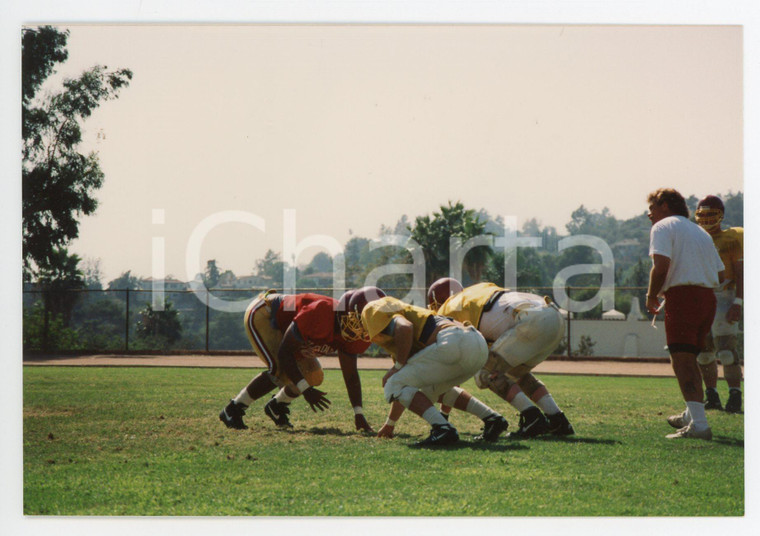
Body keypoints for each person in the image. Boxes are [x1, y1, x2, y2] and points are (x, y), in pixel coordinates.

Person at [353, 286, 508, 447]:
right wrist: (390, 425)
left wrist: (397, 367)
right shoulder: (401, 336)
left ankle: (442, 429)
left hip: (453, 341)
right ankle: (492, 419)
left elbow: (405, 327)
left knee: (392, 382)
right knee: (430, 388)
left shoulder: (374, 308)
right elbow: (404, 387)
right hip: (476, 345)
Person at [428, 277, 574, 438]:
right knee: (515, 372)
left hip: (529, 321)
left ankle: (532, 417)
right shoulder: (479, 289)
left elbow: (455, 360)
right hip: (554, 315)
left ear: (439, 300)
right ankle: (557, 420)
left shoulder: (449, 308)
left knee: (485, 374)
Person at [219, 289, 375, 432]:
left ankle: (277, 405)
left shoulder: (358, 335)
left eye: (364, 323)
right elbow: (284, 353)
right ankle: (233, 409)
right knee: (281, 369)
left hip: (289, 330)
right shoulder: (321, 313)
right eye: (357, 321)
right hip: (265, 313)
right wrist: (305, 390)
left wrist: (358, 413)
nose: (359, 329)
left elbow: (351, 374)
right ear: (346, 312)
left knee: (313, 375)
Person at [645, 188, 725, 440]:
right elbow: (721, 274)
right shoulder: (700, 232)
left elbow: (661, 266)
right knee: (690, 357)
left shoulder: (663, 227)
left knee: (682, 361)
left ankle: (699, 424)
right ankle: (692, 413)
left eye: (652, 208)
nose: (649, 214)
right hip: (707, 298)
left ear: (665, 206)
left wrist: (651, 295)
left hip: (683, 298)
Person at [694, 195, 744, 413]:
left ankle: (735, 394)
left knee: (726, 351)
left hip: (725, 296)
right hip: (702, 297)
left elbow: (742, 273)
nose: (705, 219)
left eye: (710, 214)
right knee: (704, 353)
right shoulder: (696, 238)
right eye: (702, 214)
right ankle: (711, 395)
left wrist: (739, 302)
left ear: (721, 215)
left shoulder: (734, 237)